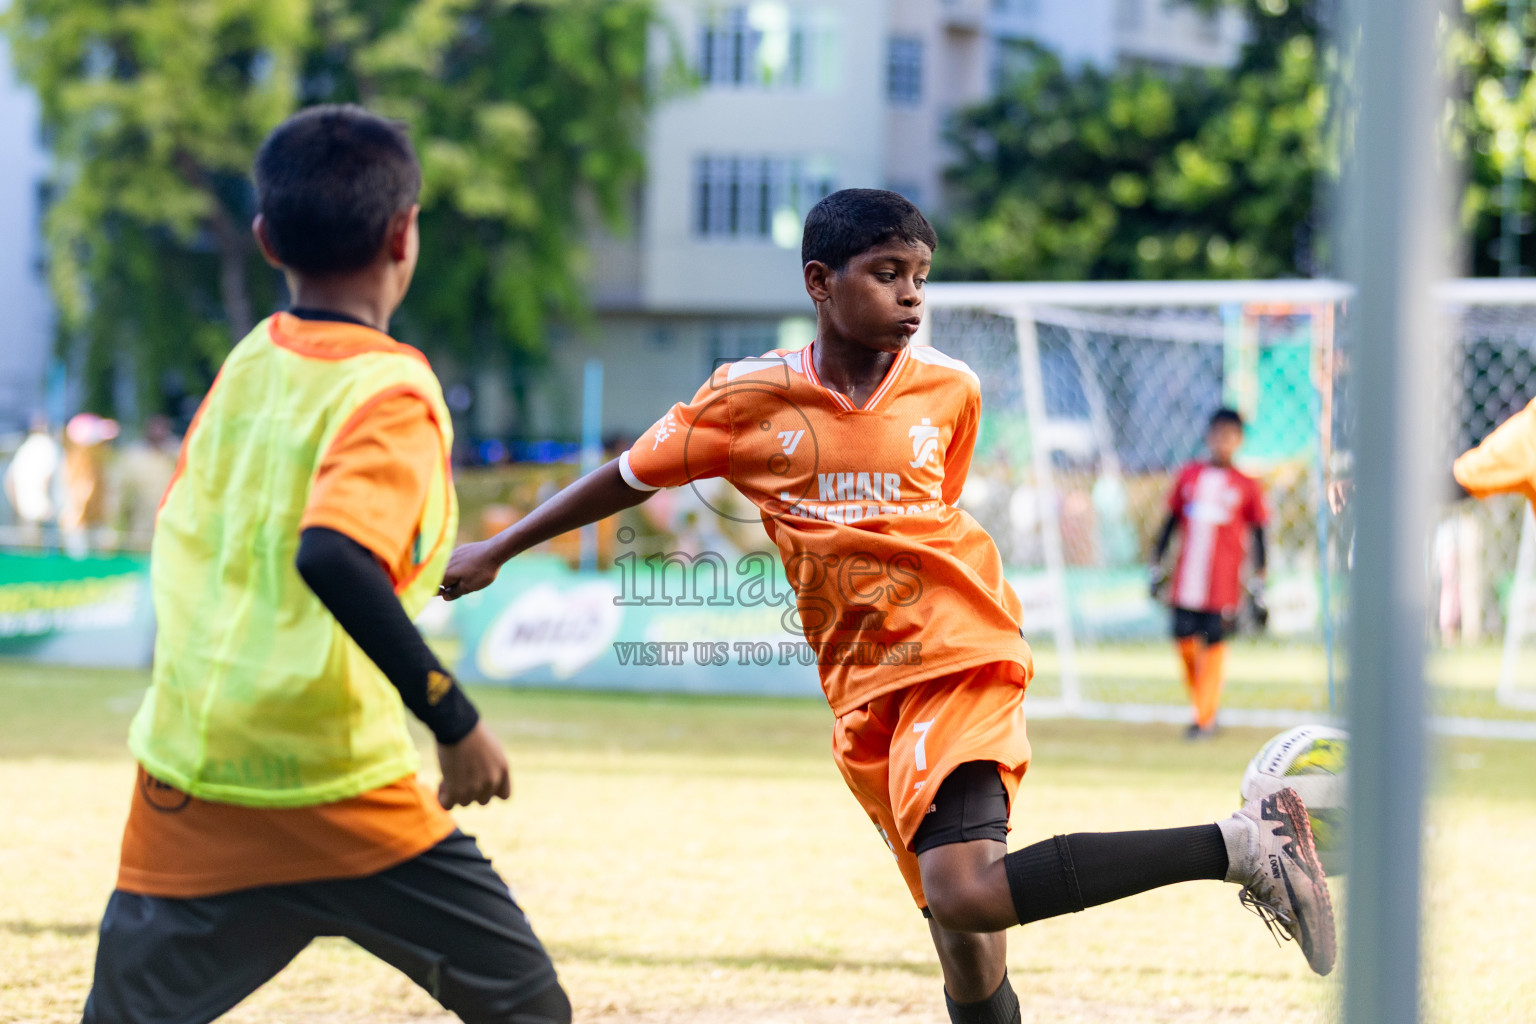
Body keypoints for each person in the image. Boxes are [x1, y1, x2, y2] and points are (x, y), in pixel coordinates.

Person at [441, 189, 1336, 1023]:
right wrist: (497, 548)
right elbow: (629, 475)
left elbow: (937, 515)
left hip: (960, 653)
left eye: (920, 277)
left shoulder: (949, 388)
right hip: (864, 691)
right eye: (887, 274)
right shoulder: (744, 398)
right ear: (819, 283)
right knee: (967, 953)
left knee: (966, 892)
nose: (911, 296)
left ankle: (1240, 845)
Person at [83, 105, 570, 1024]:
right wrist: (454, 718)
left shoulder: (246, 365)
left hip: (196, 773)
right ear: (404, 233)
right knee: (528, 1009)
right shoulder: (390, 387)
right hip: (340, 786)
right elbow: (333, 554)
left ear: (265, 239)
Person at [1149, 408, 1269, 740]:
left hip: (1224, 584)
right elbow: (1170, 522)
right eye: (1218, 435)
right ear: (1208, 436)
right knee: (1183, 638)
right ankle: (1205, 708)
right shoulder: (1188, 476)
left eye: (1230, 436)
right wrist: (1156, 562)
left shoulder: (1247, 484)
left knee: (1215, 643)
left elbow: (1259, 533)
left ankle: (1203, 718)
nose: (1223, 442)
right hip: (1186, 580)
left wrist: (1260, 577)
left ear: (1239, 441)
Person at [114, 413, 180, 546]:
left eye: (162, 428)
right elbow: (121, 492)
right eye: (154, 427)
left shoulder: (176, 453)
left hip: (170, 527)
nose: (158, 431)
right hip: (139, 529)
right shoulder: (133, 456)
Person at [3, 412, 61, 546]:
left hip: (26, 512)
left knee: (27, 551)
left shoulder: (24, 449)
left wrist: (17, 506)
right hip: (45, 513)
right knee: (44, 553)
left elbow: (9, 481)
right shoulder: (48, 446)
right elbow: (48, 478)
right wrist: (49, 504)